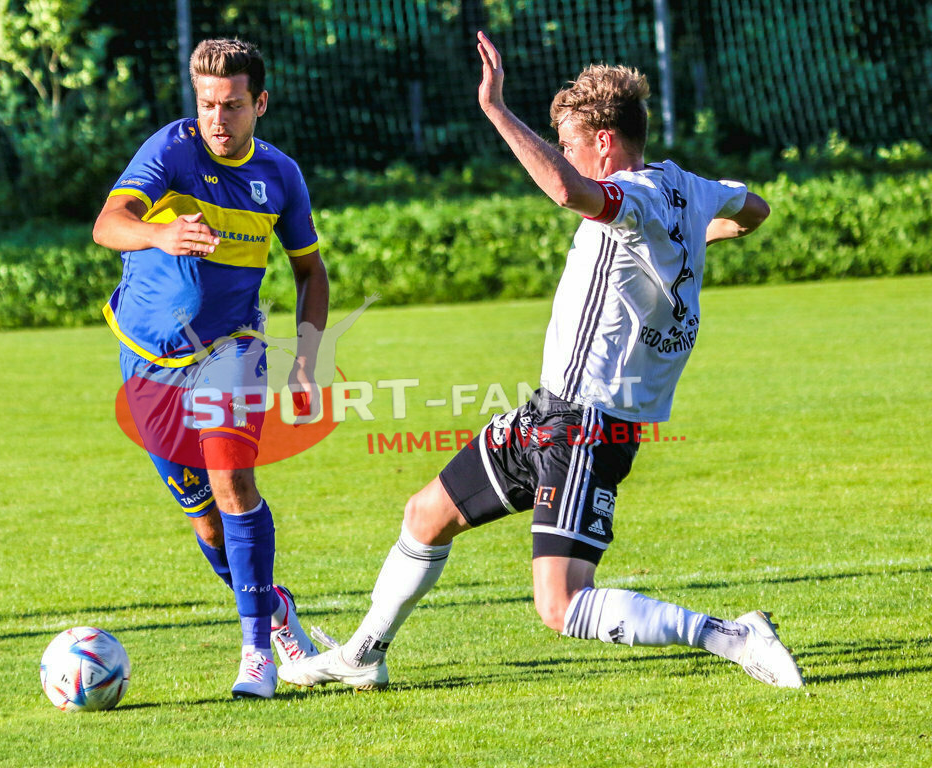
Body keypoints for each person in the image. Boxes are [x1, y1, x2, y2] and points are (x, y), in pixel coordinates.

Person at [277, 31, 804, 692]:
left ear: (604, 145)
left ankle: (731, 635)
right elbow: (754, 209)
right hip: (550, 412)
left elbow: (563, 190)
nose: (566, 156)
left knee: (561, 605)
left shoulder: (633, 197)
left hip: (590, 421)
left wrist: (496, 109)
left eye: (573, 144)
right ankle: (362, 653)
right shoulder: (686, 187)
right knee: (425, 514)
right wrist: (687, 238)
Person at [92, 38, 328, 699]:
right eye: (205, 104)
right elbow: (108, 224)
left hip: (232, 349)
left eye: (230, 105)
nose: (216, 119)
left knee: (232, 485)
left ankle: (258, 651)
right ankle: (274, 606)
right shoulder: (172, 149)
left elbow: (310, 270)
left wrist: (307, 362)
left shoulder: (280, 175)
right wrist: (159, 231)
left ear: (260, 103)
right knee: (204, 520)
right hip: (147, 356)